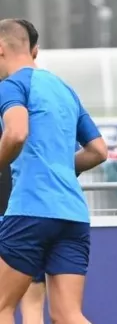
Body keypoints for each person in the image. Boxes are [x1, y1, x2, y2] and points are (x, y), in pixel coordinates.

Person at [0, 18, 108, 323]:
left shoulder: (12, 86)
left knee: (2, 306)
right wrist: (58, 166)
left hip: (31, 210)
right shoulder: (64, 88)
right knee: (67, 314)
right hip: (73, 214)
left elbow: (16, 133)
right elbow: (99, 150)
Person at [0, 19, 46, 324]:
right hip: (34, 211)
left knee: (11, 304)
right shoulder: (48, 90)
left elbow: (17, 136)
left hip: (18, 211)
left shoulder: (12, 90)